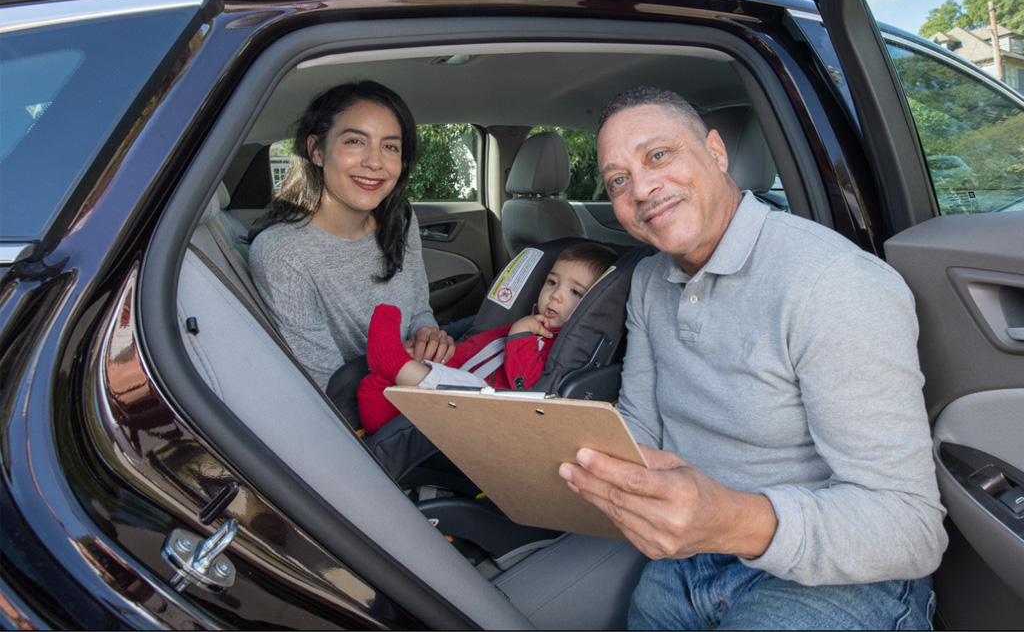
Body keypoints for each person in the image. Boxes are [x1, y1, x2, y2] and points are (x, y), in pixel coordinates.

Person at [557, 86, 948, 630]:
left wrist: (730, 522)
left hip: (836, 579)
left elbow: (910, 528)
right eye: (618, 180)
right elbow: (640, 426)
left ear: (715, 152)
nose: (642, 187)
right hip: (684, 561)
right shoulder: (648, 277)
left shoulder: (832, 283)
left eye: (659, 155)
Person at [249, 81, 455, 472]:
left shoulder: (400, 219)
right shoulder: (282, 251)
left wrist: (430, 335)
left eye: (390, 147)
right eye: (355, 142)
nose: (375, 162)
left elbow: (418, 312)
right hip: (367, 420)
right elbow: (328, 387)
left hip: (416, 384)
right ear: (316, 150)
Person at [357, 242, 619, 435]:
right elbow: (474, 349)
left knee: (467, 385)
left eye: (575, 291)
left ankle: (391, 359)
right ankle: (395, 376)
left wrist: (521, 336)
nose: (556, 296)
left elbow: (526, 386)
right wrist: (437, 358)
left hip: (485, 410)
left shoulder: (557, 344)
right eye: (552, 282)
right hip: (450, 385)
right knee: (372, 386)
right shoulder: (527, 320)